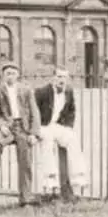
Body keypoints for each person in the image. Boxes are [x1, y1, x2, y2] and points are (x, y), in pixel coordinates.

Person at [0, 61, 41, 206]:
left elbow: (34, 112)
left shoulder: (26, 90)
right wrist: (1, 125)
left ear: (18, 75)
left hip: (23, 128)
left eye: (13, 73)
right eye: (7, 73)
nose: (10, 76)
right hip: (7, 128)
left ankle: (25, 198)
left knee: (25, 161)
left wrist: (33, 133)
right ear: (3, 76)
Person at [34, 66, 88, 194]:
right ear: (53, 78)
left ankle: (78, 176)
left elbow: (72, 111)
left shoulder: (68, 91)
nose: (61, 80)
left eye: (64, 77)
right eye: (59, 76)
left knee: (72, 138)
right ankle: (50, 179)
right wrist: (35, 131)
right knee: (47, 141)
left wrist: (67, 127)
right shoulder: (42, 92)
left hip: (57, 126)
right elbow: (34, 113)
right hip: (43, 125)